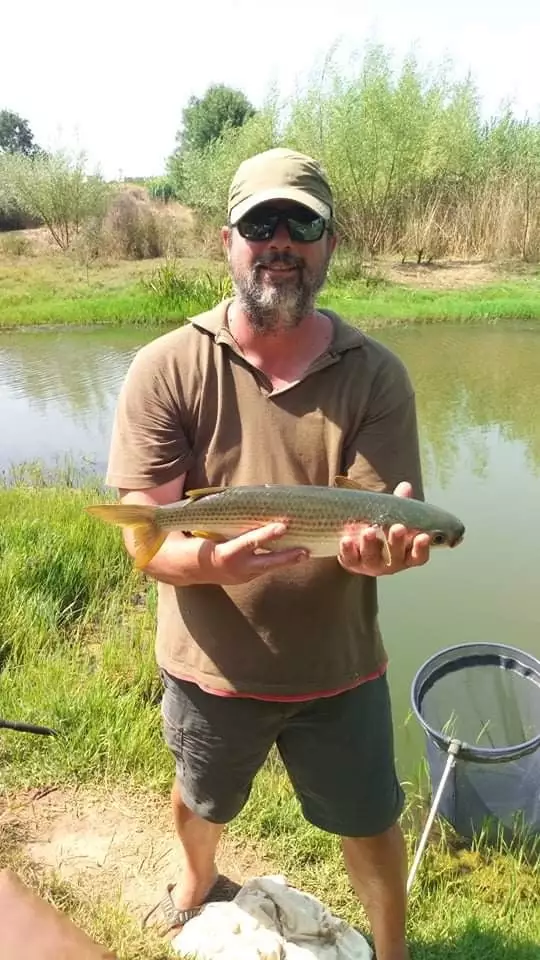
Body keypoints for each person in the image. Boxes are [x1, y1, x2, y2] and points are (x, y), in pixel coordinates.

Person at [105, 146, 431, 960]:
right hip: (209, 666)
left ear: (328, 244)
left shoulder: (376, 375)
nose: (280, 239)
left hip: (342, 666)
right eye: (261, 222)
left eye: (302, 222)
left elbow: (374, 520)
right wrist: (210, 563)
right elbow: (146, 539)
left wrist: (378, 555)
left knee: (371, 821)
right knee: (201, 798)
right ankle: (194, 882)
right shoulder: (166, 367)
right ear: (228, 240)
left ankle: (393, 951)